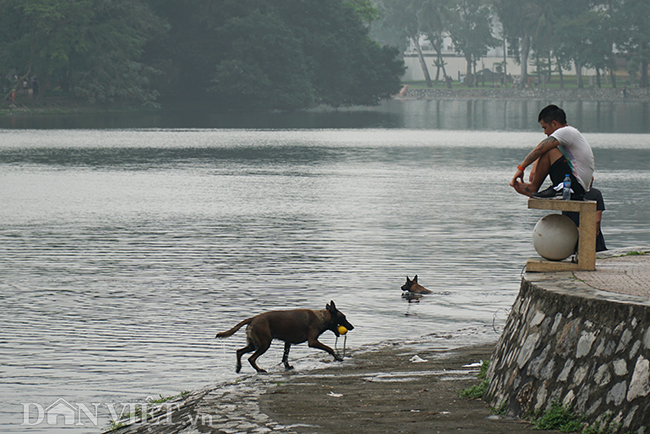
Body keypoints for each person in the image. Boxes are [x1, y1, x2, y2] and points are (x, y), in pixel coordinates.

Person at [510, 104, 594, 201]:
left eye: (545, 128)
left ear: (554, 124)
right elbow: (542, 151)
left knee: (550, 151)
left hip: (574, 187)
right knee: (548, 150)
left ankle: (537, 187)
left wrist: (521, 168)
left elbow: (540, 149)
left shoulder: (565, 131)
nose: (545, 132)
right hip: (577, 186)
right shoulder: (569, 134)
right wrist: (535, 164)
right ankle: (538, 187)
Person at [563, 187, 607, 252]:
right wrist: (594, 232)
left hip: (573, 235)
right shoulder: (596, 193)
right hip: (594, 236)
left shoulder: (568, 194)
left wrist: (579, 230)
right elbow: (597, 220)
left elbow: (565, 220)